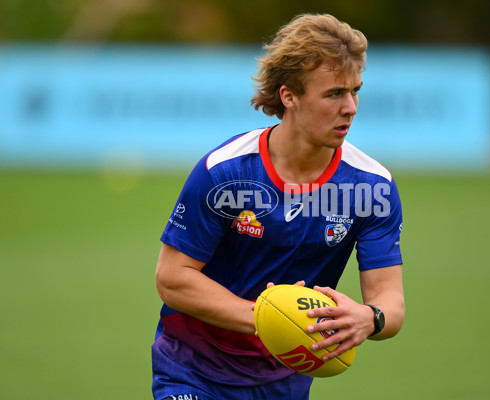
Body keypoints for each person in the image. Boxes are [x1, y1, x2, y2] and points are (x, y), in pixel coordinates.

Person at [152, 13, 405, 400]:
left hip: (284, 381)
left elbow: (390, 301)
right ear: (289, 96)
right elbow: (172, 278)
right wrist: (271, 318)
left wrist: (369, 319)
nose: (351, 107)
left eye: (355, 91)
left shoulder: (372, 187)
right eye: (334, 93)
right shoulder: (225, 172)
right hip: (192, 370)